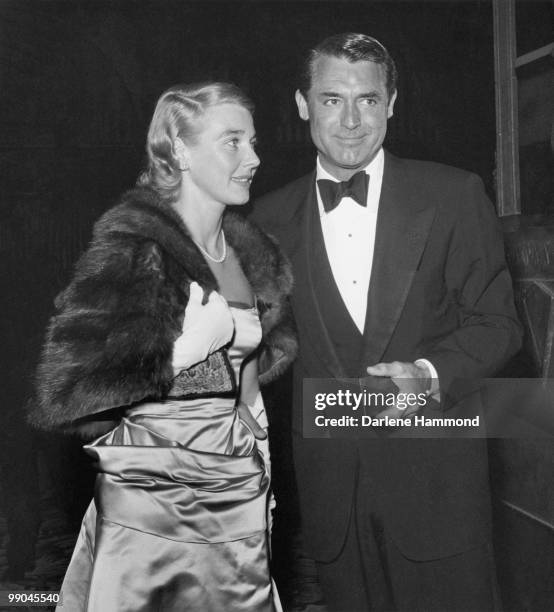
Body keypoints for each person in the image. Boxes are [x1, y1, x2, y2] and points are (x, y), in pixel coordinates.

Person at [252, 33, 522, 611]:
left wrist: (427, 374)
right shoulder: (268, 218)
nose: (351, 120)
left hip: (438, 484)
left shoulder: (453, 194)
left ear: (392, 102)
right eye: (331, 99)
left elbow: (499, 323)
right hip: (332, 501)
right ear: (302, 104)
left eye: (368, 100)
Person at [28, 82, 297, 612]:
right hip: (150, 504)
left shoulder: (249, 254)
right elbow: (66, 391)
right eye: (233, 141)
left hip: (235, 495)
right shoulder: (135, 248)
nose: (254, 158)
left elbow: (246, 393)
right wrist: (188, 348)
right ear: (179, 148)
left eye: (254, 142)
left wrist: (263, 482)